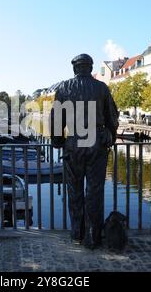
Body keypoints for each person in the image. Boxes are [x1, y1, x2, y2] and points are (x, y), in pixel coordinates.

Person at [50, 54, 119, 249]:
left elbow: (56, 119)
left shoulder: (63, 88)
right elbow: (112, 116)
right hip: (96, 143)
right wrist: (110, 135)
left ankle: (77, 235)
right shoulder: (102, 88)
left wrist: (58, 141)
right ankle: (93, 237)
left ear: (75, 68)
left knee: (74, 191)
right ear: (90, 68)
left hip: (74, 144)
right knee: (94, 192)